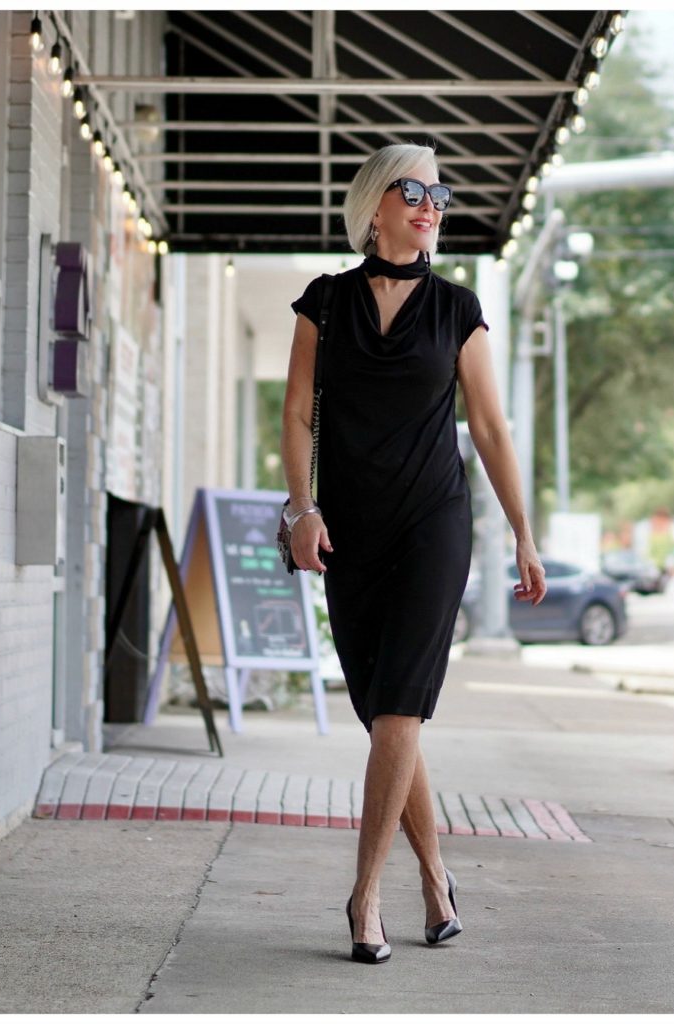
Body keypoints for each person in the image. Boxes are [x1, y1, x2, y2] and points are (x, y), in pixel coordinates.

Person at [280, 143, 546, 964]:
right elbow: (296, 415)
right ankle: (437, 879)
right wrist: (301, 508)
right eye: (414, 190)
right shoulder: (323, 303)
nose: (431, 204)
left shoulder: (456, 308)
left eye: (440, 192)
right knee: (384, 715)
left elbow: (491, 429)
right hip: (349, 530)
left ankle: (365, 897)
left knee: (399, 710)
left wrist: (522, 533)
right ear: (375, 206)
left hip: (435, 521)